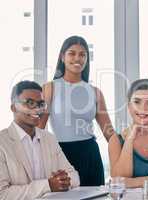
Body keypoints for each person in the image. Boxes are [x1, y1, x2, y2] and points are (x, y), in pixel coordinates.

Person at [38, 35, 115, 186]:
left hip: (90, 155)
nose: (77, 58)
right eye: (72, 53)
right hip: (61, 154)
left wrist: (128, 151)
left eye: (82, 54)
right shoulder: (50, 88)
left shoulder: (95, 92)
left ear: (87, 59)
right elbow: (38, 128)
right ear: (62, 57)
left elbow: (109, 132)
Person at [0, 81, 80, 200]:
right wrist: (48, 185)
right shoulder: (2, 142)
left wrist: (62, 180)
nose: (37, 109)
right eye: (30, 103)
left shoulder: (49, 138)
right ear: (13, 108)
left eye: (41, 104)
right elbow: (3, 193)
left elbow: (74, 177)